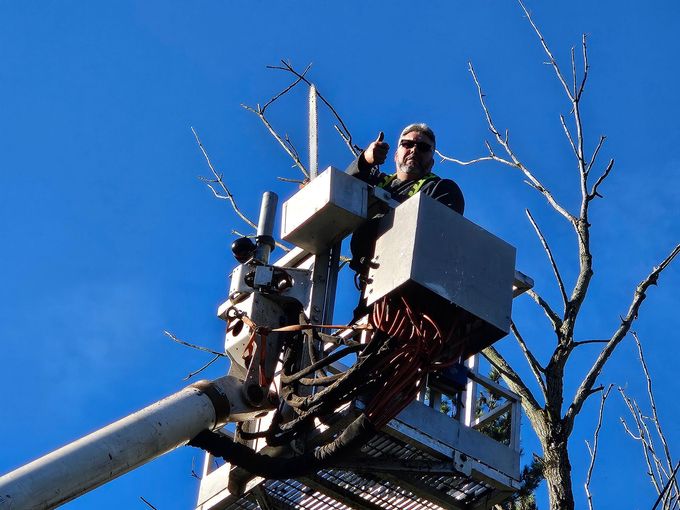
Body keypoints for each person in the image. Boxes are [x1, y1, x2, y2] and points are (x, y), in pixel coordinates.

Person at [345, 123, 465, 318]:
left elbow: (440, 237)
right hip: (372, 287)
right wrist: (365, 161)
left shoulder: (441, 189)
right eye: (407, 144)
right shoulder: (377, 184)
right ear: (396, 154)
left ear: (432, 162)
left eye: (423, 147)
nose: (414, 150)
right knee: (366, 340)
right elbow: (342, 190)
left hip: (413, 295)